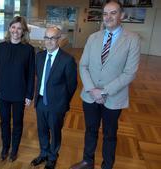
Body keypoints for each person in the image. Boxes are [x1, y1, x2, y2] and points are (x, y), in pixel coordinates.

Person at [69, 1, 141, 169]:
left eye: (113, 13)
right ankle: (88, 161)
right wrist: (92, 90)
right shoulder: (93, 37)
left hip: (113, 97)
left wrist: (103, 92)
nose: (108, 17)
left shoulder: (132, 39)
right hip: (90, 95)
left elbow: (130, 72)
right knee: (90, 130)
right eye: (105, 13)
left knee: (109, 134)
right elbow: (83, 65)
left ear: (121, 15)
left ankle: (107, 165)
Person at [30, 26, 77, 169]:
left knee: (55, 132)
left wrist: (63, 102)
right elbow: (38, 78)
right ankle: (43, 153)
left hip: (57, 104)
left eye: (53, 38)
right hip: (40, 102)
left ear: (59, 39)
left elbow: (72, 85)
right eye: (46, 38)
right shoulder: (39, 56)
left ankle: (52, 157)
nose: (49, 41)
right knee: (42, 130)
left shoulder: (67, 60)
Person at [0, 16, 35, 162]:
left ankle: (14, 149)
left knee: (17, 123)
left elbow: (30, 74)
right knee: (4, 122)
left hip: (19, 94)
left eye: (19, 28)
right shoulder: (1, 47)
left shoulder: (29, 50)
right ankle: (5, 147)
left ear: (23, 31)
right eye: (13, 27)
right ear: (9, 29)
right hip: (2, 93)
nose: (16, 31)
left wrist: (29, 95)